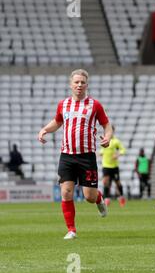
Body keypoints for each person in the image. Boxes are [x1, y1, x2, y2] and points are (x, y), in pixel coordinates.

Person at [38, 69, 112, 240]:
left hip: (87, 157)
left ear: (87, 84)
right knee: (66, 192)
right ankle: (71, 230)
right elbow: (57, 122)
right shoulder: (63, 104)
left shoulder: (95, 105)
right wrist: (44, 130)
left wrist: (107, 137)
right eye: (76, 82)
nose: (79, 85)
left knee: (89, 196)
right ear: (71, 85)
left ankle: (99, 198)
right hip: (67, 156)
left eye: (82, 82)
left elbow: (106, 125)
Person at [100, 125, 127, 207]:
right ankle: (107, 199)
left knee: (117, 183)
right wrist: (100, 153)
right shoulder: (104, 140)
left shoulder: (116, 142)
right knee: (105, 182)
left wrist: (118, 154)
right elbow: (103, 149)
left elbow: (123, 150)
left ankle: (121, 198)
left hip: (114, 166)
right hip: (106, 165)